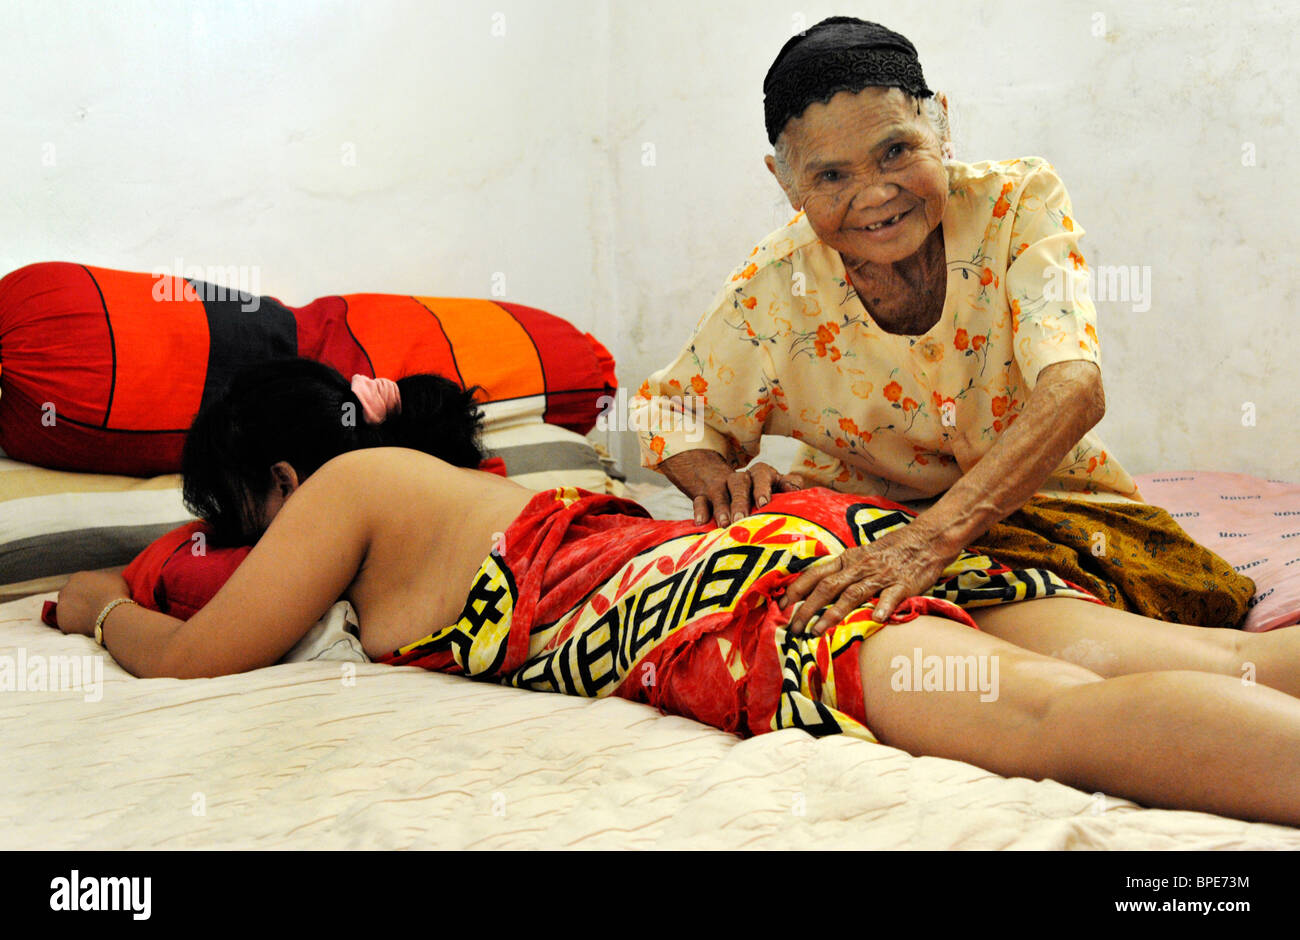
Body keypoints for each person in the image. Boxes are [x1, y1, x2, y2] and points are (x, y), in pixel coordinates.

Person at [53, 358, 1300, 827]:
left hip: (709, 602)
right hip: (804, 540)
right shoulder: (461, 481)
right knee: (1209, 664)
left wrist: (103, 601)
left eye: (234, 524)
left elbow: (196, 656)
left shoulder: (348, 488)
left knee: (1047, 723)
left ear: (277, 479)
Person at [628, 16, 1254, 636]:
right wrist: (724, 482)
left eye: (896, 151)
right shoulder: (772, 286)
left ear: (941, 124)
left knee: (1162, 616)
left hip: (1051, 508)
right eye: (831, 176)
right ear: (786, 182)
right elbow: (670, 411)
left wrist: (928, 542)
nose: (875, 195)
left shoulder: (1016, 204)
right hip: (867, 531)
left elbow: (1074, 386)